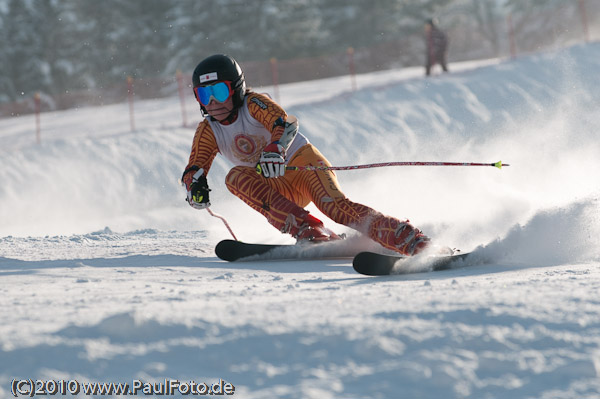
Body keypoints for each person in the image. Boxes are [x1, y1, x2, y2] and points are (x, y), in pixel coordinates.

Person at [181, 54, 430, 256]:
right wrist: (195, 187)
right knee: (234, 177)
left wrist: (275, 150)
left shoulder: (253, 104)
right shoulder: (208, 130)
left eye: (220, 92)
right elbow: (195, 167)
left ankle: (406, 238)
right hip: (276, 189)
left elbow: (285, 124)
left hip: (304, 167)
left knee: (335, 208)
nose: (212, 101)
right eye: (204, 94)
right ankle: (310, 230)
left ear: (236, 89)